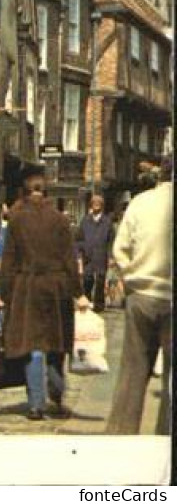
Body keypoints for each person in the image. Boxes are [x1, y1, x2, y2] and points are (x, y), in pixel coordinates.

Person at [0, 174, 87, 421]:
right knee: (56, 342)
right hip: (56, 286)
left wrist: (4, 293)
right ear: (47, 194)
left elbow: (9, 261)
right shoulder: (60, 220)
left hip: (27, 287)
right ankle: (56, 396)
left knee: (33, 345)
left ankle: (36, 404)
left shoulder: (16, 220)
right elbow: (70, 259)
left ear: (24, 194)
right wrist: (78, 292)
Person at [106, 155, 172, 435]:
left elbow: (120, 248)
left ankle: (122, 436)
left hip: (141, 295)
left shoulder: (140, 202)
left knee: (133, 373)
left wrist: (131, 273)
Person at [75, 193, 114, 312]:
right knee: (87, 280)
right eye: (94, 203)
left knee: (100, 280)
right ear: (91, 205)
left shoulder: (107, 222)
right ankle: (87, 302)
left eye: (99, 203)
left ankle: (99, 306)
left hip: (101, 255)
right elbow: (78, 239)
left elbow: (111, 241)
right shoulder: (85, 221)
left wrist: (111, 256)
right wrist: (78, 256)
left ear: (102, 205)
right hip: (87, 256)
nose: (96, 205)